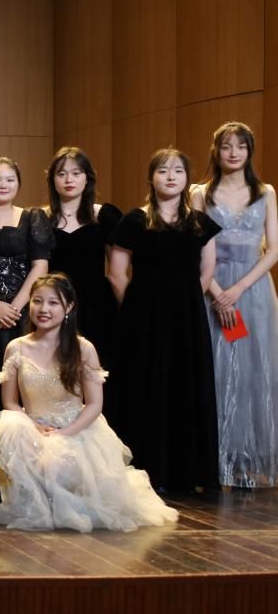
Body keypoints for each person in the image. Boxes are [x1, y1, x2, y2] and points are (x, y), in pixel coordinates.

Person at [0, 274, 177, 531]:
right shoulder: (16, 347)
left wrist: (64, 433)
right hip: (31, 426)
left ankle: (62, 503)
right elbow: (10, 402)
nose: (43, 309)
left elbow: (94, 404)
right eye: (37, 301)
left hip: (74, 428)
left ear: (68, 307)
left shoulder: (83, 348)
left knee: (55, 464)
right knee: (12, 430)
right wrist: (34, 427)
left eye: (53, 303)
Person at [109, 148, 220, 491]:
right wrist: (138, 309)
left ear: (187, 178)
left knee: (186, 386)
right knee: (144, 387)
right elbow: (116, 273)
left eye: (178, 171)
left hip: (188, 318)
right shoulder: (134, 220)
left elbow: (207, 269)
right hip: (142, 319)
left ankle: (187, 473)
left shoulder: (199, 222)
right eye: (162, 170)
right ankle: (147, 468)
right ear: (151, 178)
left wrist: (184, 304)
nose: (171, 176)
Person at [192, 122, 278, 488]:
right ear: (216, 150)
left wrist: (238, 289)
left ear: (249, 151)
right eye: (226, 146)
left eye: (241, 146)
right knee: (216, 371)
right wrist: (218, 292)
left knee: (253, 374)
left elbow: (273, 250)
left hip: (253, 290)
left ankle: (245, 461)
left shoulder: (266, 192)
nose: (233, 153)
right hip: (212, 285)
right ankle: (213, 458)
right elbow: (195, 249)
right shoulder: (200, 193)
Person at [0, 157, 53, 429]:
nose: (3, 185)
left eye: (9, 179)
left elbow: (40, 265)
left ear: (18, 183)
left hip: (24, 311)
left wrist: (15, 307)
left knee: (25, 373)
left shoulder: (32, 217)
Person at [43, 147, 123, 379]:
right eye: (61, 174)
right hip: (54, 303)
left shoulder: (104, 215)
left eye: (76, 173)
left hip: (96, 305)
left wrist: (127, 309)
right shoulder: (40, 218)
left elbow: (117, 271)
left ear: (87, 178)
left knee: (96, 372)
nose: (69, 180)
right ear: (52, 179)